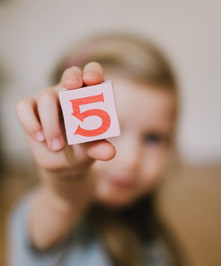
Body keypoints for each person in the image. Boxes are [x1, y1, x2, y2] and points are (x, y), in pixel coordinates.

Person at [9, 33, 183, 266]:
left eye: (153, 138)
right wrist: (69, 176)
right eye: (107, 129)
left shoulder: (146, 225)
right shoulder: (46, 219)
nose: (131, 160)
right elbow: (62, 201)